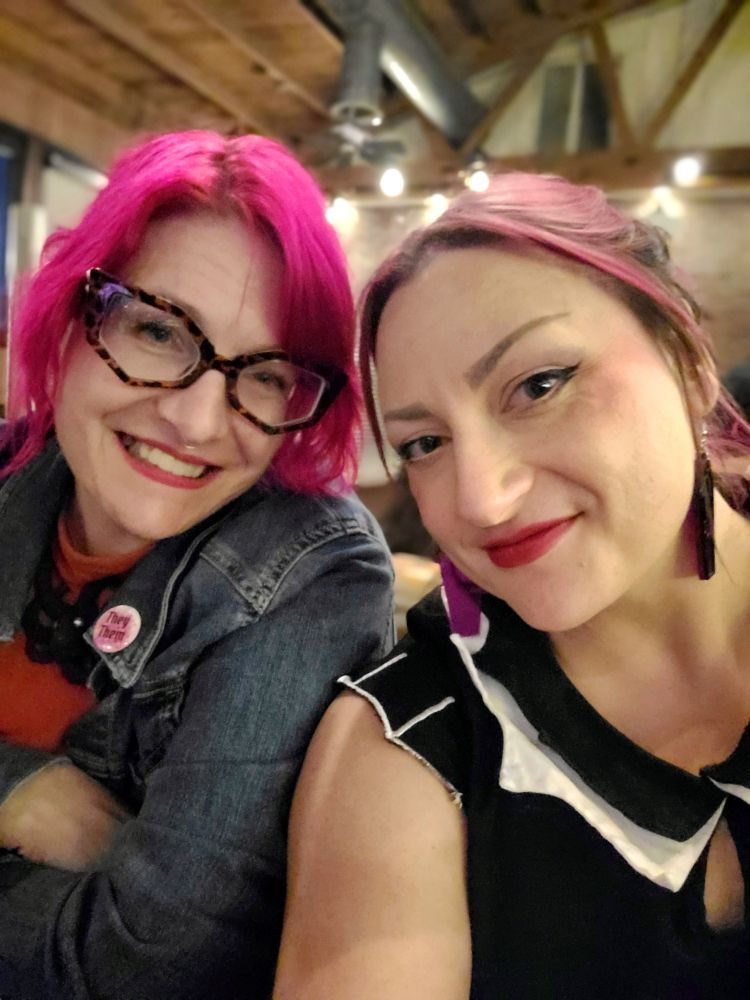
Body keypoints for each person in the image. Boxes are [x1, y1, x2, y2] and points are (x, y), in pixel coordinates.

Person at [274, 173, 750, 998]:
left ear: (688, 361)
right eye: (424, 443)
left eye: (539, 385)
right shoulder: (409, 745)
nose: (480, 500)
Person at [0, 130, 393, 1000]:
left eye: (267, 373)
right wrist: (16, 783)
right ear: (73, 316)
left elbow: (146, 965)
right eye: (157, 329)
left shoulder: (313, 578)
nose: (199, 418)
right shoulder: (11, 467)